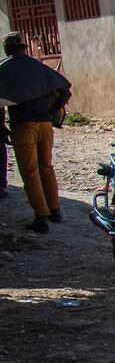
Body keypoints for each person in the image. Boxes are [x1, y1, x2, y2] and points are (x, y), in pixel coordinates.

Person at [0, 33, 72, 233]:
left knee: (30, 171)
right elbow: (66, 90)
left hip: (23, 125)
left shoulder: (3, 69)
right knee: (46, 167)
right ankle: (55, 209)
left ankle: (41, 217)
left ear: (7, 49)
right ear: (24, 47)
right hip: (45, 125)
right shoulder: (38, 67)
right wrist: (51, 113)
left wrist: (2, 128)